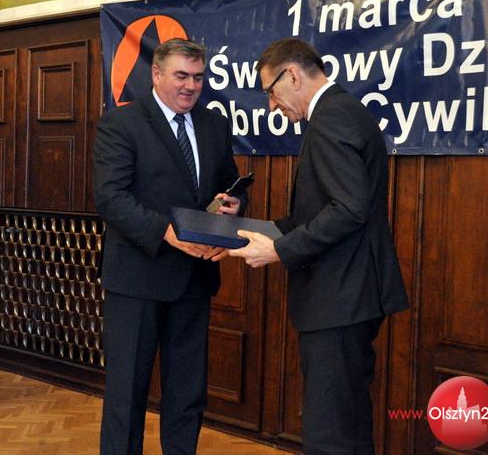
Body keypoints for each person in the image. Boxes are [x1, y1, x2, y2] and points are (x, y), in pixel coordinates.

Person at [225, 38, 410, 454]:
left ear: (292, 74)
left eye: (271, 92)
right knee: (346, 422)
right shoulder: (340, 111)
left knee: (331, 433)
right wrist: (252, 230)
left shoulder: (330, 118)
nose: (271, 106)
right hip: (349, 296)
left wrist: (279, 251)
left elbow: (348, 209)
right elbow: (320, 211)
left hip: (340, 297)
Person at [93, 38, 246, 455]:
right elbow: (110, 197)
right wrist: (167, 232)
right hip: (137, 279)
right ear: (156, 73)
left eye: (198, 77)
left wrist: (233, 205)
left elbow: (228, 184)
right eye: (181, 76)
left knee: (187, 394)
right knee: (127, 395)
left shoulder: (213, 125)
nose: (191, 86)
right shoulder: (121, 124)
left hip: (195, 280)